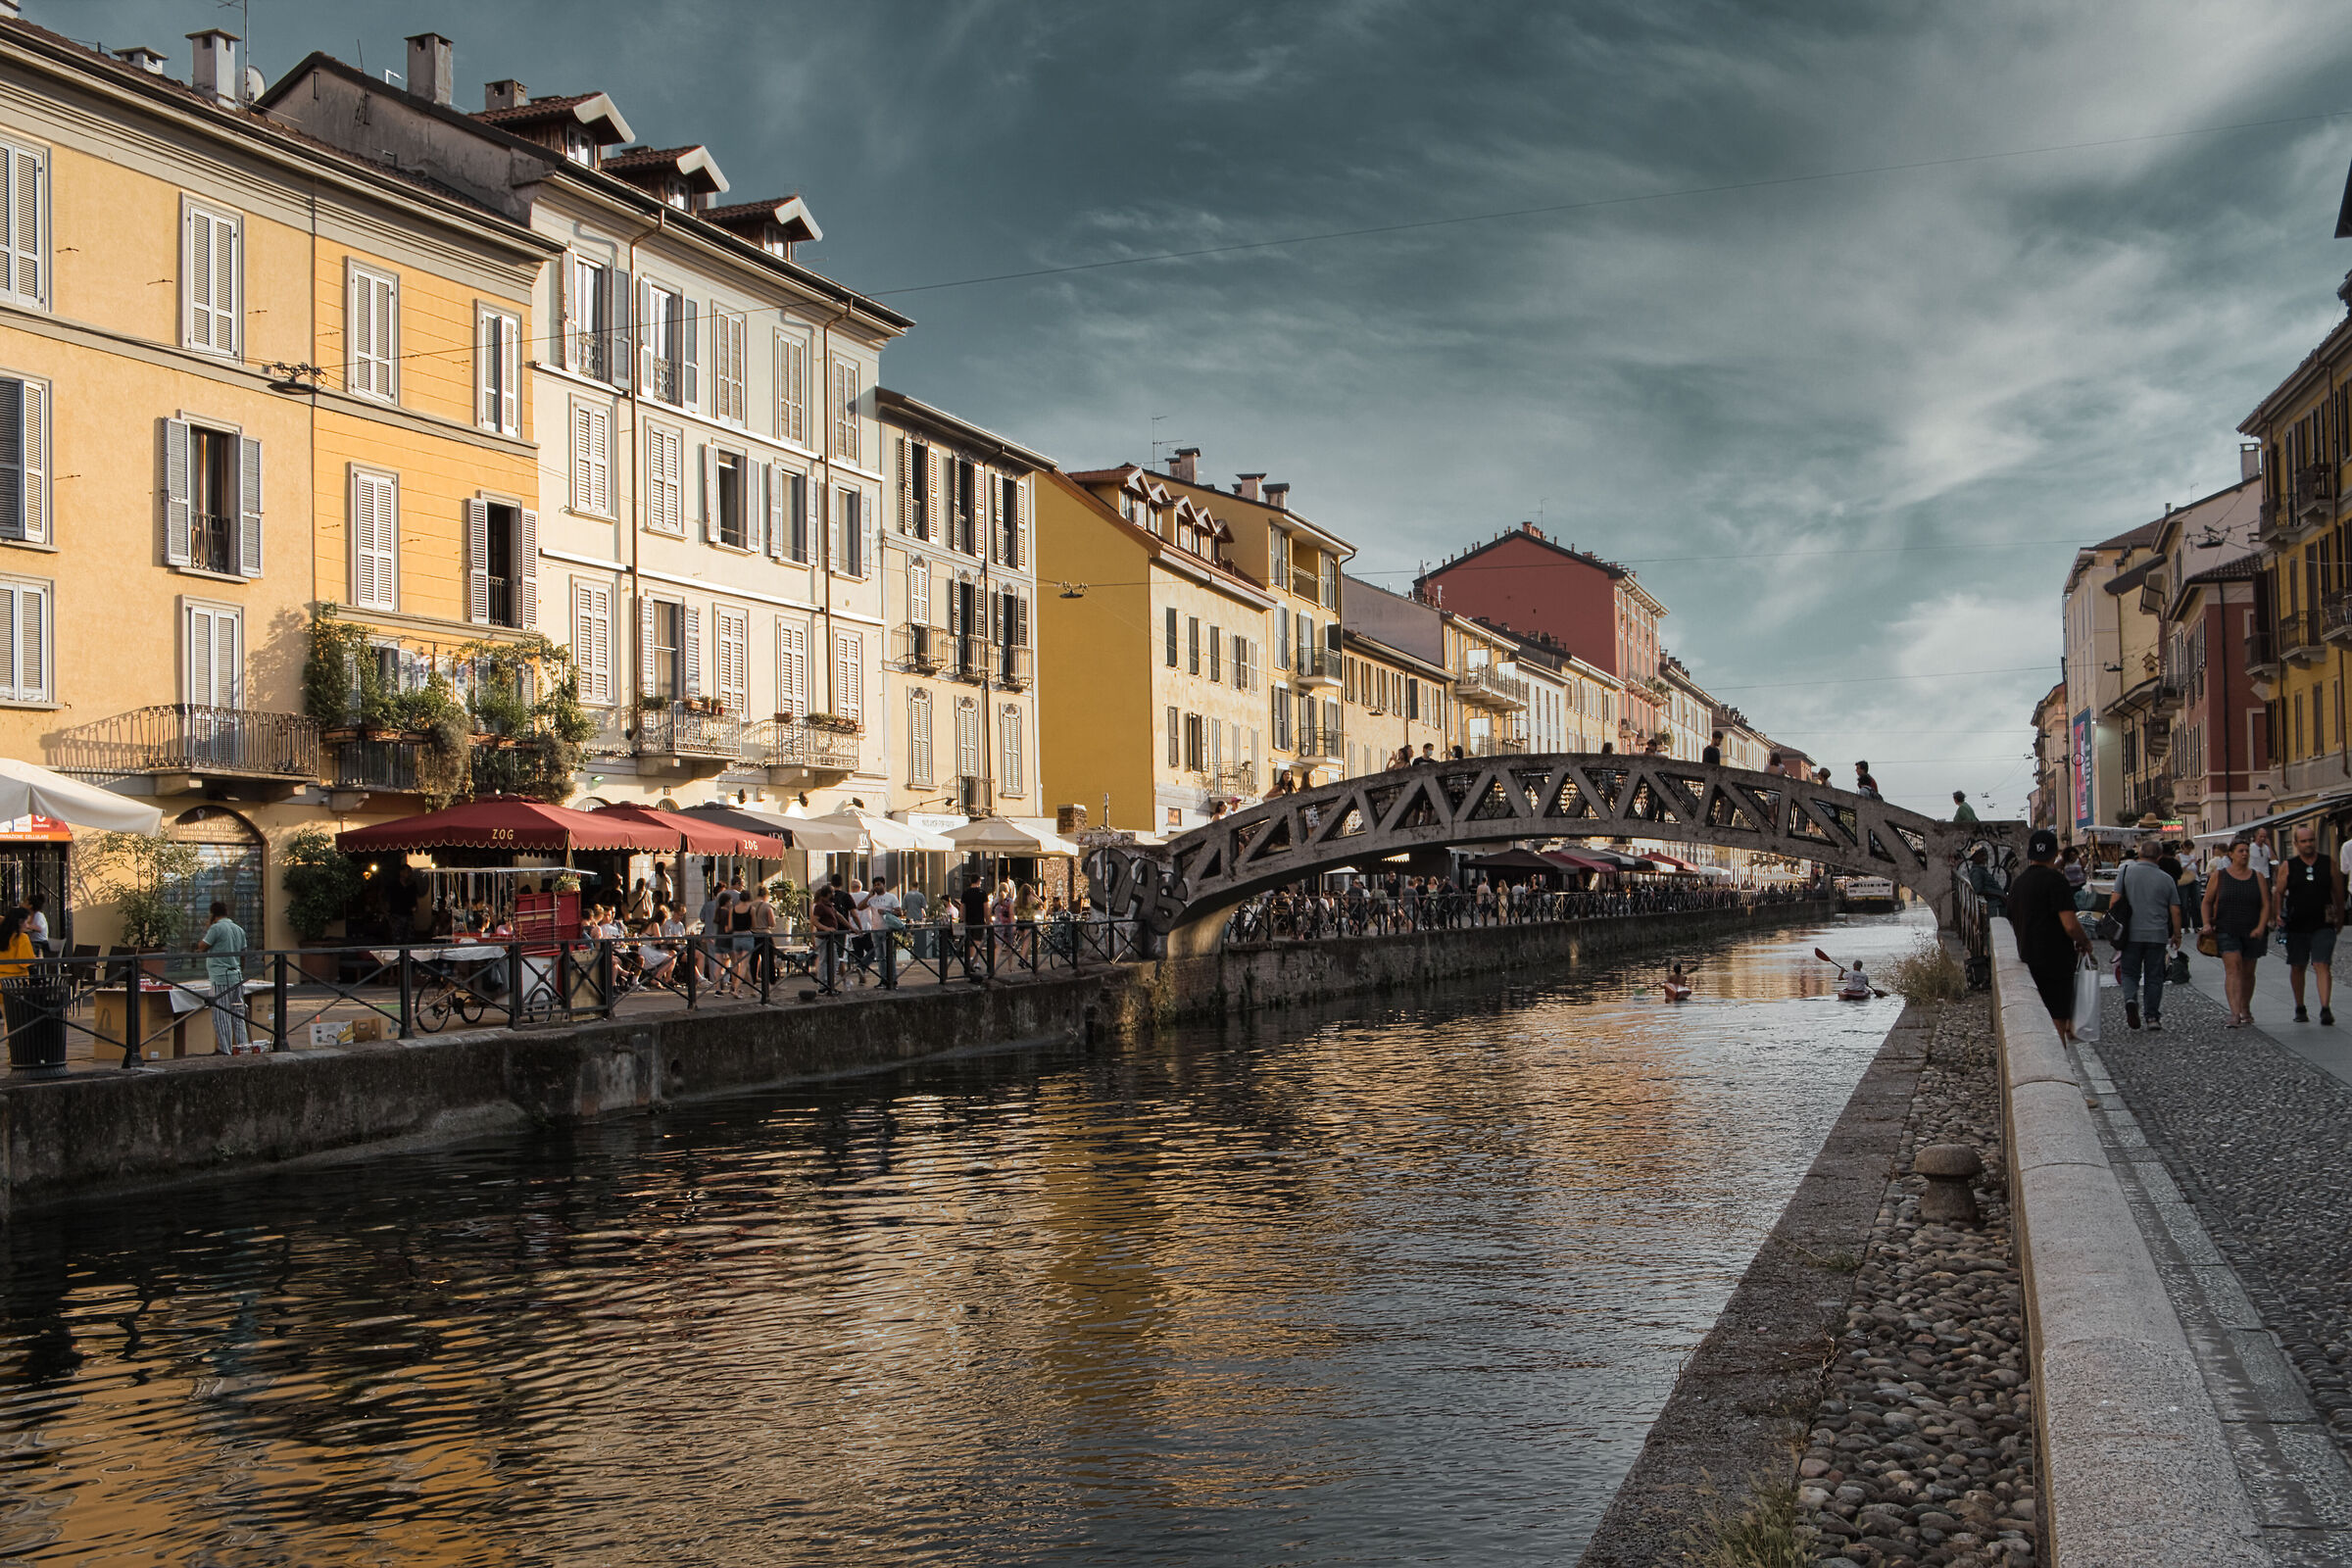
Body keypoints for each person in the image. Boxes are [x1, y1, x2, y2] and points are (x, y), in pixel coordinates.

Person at [2008, 827, 2094, 1041]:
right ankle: (2059, 1067)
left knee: (2036, 1021)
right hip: (2056, 961)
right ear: (2056, 853)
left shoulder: (2018, 884)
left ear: (2030, 855)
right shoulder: (2056, 881)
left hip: (2027, 957)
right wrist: (2085, 942)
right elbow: (2070, 925)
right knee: (2057, 1022)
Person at [2274, 823, 2343, 1025]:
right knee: (2298, 966)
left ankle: (2325, 1008)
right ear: (2295, 843)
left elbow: (2337, 891)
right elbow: (2279, 891)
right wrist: (2278, 913)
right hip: (2296, 923)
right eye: (2303, 841)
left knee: (2322, 963)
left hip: (2323, 922)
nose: (2308, 844)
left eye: (2311, 840)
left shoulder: (2327, 863)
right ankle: (2300, 1006)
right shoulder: (2289, 865)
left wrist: (2339, 915)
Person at [2114, 836, 2183, 1032]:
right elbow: (2176, 909)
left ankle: (2130, 1000)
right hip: (2157, 934)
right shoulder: (2166, 879)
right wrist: (2177, 934)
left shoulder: (2125, 872)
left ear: (2140, 853)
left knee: (2129, 972)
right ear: (2160, 856)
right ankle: (2152, 1017)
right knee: (2154, 976)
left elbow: (2114, 902)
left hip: (2131, 934)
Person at [2202, 835, 2271, 1029]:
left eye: (2247, 851)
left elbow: (2266, 904)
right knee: (2233, 969)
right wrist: (2207, 923)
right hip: (2227, 928)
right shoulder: (2220, 876)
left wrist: (2261, 926)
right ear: (2231, 854)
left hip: (2252, 930)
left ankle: (2245, 1007)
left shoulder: (2256, 877)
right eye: (2240, 851)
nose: (2245, 854)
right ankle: (2234, 1013)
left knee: (2248, 972)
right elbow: (2207, 901)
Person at [196, 900, 250, 1054]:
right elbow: (244, 953)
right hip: (237, 976)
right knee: (238, 1015)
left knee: (221, 1016)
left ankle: (225, 1050)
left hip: (220, 977)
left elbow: (202, 947)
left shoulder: (216, 928)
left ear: (213, 914)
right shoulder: (238, 929)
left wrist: (208, 928)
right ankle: (243, 1049)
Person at [24, 893, 50, 957]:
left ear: (30, 906)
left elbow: (39, 928)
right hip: (33, 942)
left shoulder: (39, 915)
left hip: (40, 944)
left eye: (25, 902)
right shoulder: (30, 915)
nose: (23, 903)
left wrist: (26, 925)